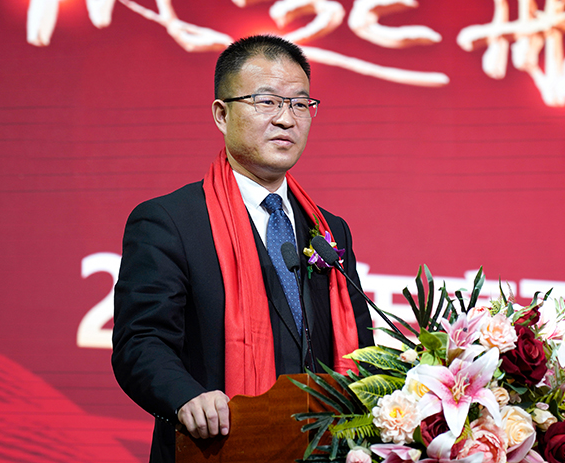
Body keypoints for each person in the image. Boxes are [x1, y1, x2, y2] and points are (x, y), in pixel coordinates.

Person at [111, 34, 374, 463]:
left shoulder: (329, 231)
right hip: (216, 448)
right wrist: (186, 397)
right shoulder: (170, 222)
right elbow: (141, 342)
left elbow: (360, 348)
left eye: (300, 104)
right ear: (222, 113)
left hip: (325, 450)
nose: (286, 119)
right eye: (267, 102)